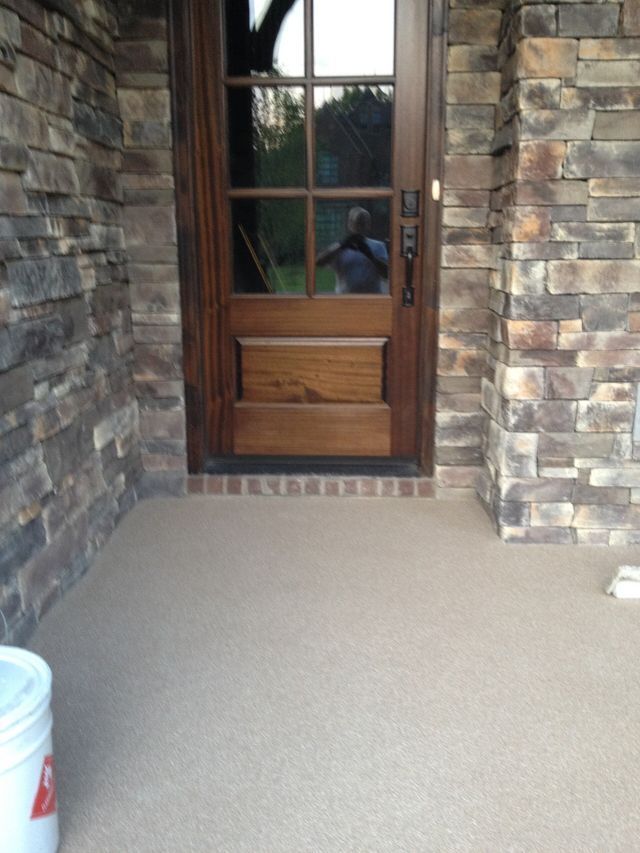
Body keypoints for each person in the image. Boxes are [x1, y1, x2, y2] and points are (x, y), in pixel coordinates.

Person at [316, 206, 389, 294]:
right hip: (345, 300)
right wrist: (342, 246)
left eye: (362, 223)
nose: (359, 227)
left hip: (371, 299)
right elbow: (318, 262)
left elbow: (386, 274)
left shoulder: (378, 246)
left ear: (368, 225)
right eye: (357, 223)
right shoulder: (339, 247)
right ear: (349, 224)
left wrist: (370, 255)